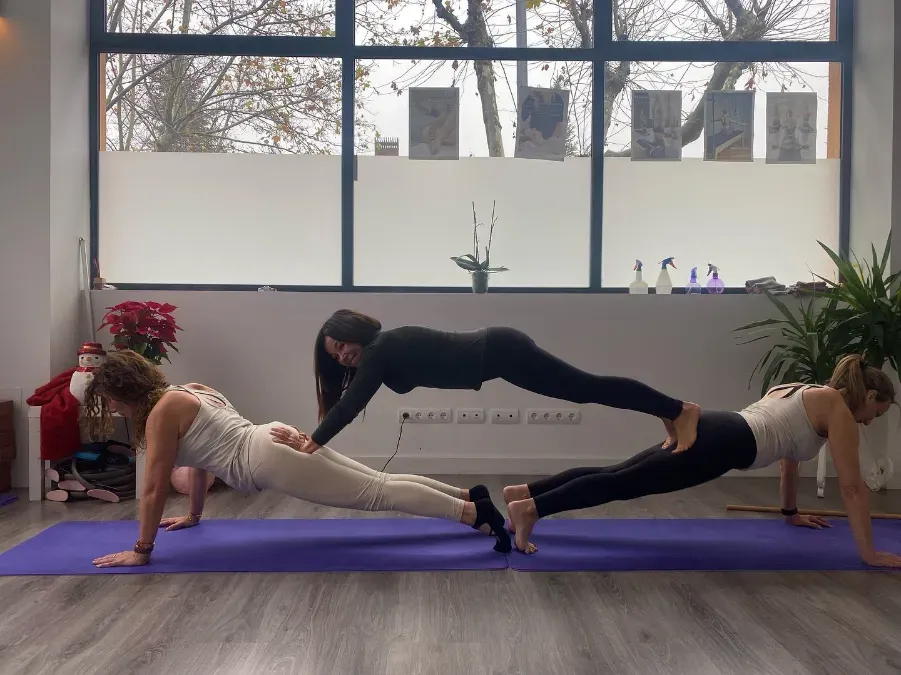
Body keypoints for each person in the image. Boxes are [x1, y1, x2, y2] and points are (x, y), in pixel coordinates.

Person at [85, 351, 511, 569]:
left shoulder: (160, 415)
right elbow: (201, 459)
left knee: (376, 494)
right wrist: (194, 515)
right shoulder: (187, 389)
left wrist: (142, 550)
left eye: (109, 400)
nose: (113, 408)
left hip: (267, 459)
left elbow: (155, 487)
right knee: (380, 483)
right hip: (270, 438)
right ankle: (468, 496)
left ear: (124, 391)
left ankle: (475, 515)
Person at [502, 355, 901, 569]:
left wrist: (790, 512)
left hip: (719, 427)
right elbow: (851, 487)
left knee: (619, 473)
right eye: (877, 413)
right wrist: (869, 554)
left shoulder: (800, 389)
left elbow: (788, 459)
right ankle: (532, 510)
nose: (871, 421)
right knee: (625, 483)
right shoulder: (838, 409)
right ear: (867, 397)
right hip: (722, 444)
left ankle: (526, 493)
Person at [288, 309, 701, 456]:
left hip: (500, 351)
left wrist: (315, 440)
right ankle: (668, 411)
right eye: (335, 355)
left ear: (355, 331)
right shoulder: (379, 353)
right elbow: (351, 396)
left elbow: (350, 406)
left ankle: (679, 410)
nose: (342, 356)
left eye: (342, 345)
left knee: (585, 388)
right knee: (586, 389)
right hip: (499, 352)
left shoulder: (379, 349)